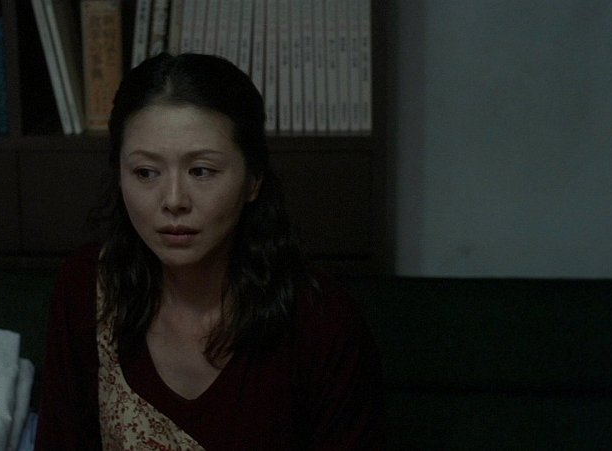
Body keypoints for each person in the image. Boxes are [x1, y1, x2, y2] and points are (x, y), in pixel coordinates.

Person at [35, 52, 384, 450]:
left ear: (253, 180)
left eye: (201, 171)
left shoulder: (321, 321)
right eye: (146, 172)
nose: (173, 200)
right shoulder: (87, 287)